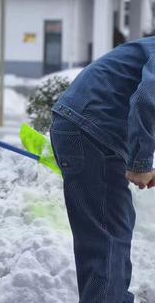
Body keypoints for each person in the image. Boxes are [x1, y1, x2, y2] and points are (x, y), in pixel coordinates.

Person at [50, 37, 155, 303]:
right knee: (107, 239)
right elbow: (146, 99)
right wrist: (140, 162)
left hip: (89, 127)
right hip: (89, 129)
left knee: (114, 230)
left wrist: (143, 161)